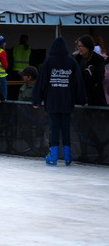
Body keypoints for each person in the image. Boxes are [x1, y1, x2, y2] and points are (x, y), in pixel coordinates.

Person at [32, 37, 87, 166]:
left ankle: (54, 155)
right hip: (67, 100)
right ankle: (68, 156)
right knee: (66, 127)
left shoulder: (49, 62)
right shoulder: (72, 62)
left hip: (52, 100)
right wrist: (83, 99)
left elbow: (41, 82)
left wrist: (36, 100)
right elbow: (78, 83)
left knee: (54, 127)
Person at [74, 34, 107, 107]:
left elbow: (99, 77)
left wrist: (88, 77)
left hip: (93, 96)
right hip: (78, 95)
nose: (79, 48)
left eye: (81, 46)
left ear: (88, 47)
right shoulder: (76, 59)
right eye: (78, 46)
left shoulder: (98, 59)